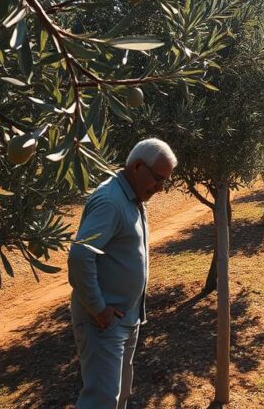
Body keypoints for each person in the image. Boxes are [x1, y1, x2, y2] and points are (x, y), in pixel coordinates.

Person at [68, 138, 177, 409]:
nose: (161, 188)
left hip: (125, 319)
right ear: (138, 166)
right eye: (158, 179)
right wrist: (98, 308)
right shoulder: (110, 201)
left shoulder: (132, 198)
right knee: (100, 401)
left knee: (118, 397)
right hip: (103, 323)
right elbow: (80, 256)